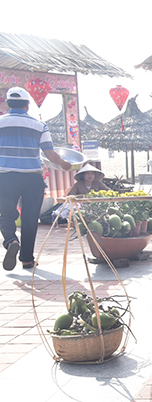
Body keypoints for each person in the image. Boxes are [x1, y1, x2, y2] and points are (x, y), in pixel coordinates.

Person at [0, 87, 71, 271]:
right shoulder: (39, 125)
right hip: (32, 178)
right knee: (30, 219)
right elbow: (50, 154)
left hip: (5, 177)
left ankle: (10, 241)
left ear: (7, 104)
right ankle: (27, 260)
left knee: (5, 215)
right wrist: (65, 165)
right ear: (27, 105)